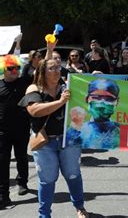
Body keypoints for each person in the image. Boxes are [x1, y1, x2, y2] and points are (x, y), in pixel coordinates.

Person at [19, 58, 88, 218]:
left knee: (73, 174)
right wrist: (60, 102)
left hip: (68, 140)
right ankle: (44, 215)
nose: (57, 71)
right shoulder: (34, 88)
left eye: (58, 67)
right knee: (47, 179)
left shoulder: (67, 87)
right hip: (45, 143)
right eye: (52, 69)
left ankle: (80, 207)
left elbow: (85, 102)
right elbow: (35, 111)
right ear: (43, 72)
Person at [0, 55, 31, 208]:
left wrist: (50, 50)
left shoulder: (24, 82)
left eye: (16, 68)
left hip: (21, 129)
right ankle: (3, 195)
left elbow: (40, 69)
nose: (14, 71)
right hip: (2, 132)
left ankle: (22, 182)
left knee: (21, 157)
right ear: (3, 70)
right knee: (2, 163)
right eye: (10, 68)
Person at [66, 79, 120, 150]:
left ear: (117, 101)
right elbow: (68, 145)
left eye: (109, 99)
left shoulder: (121, 131)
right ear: (87, 99)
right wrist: (75, 126)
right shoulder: (78, 129)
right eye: (96, 97)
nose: (101, 104)